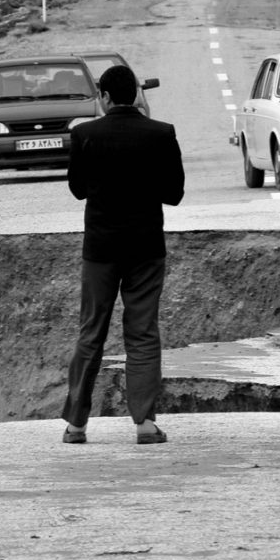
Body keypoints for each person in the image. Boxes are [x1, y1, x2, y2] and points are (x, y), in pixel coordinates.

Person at [62, 64, 185, 445]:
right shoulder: (161, 133)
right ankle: (145, 424)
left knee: (91, 332)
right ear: (136, 94)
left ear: (104, 96)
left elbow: (78, 190)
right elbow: (175, 193)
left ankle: (77, 425)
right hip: (146, 248)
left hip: (100, 250)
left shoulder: (84, 134)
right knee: (143, 334)